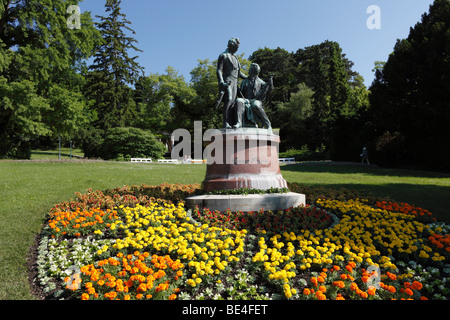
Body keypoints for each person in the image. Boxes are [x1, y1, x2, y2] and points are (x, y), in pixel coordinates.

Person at [216, 38, 248, 129]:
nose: (237, 49)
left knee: (234, 102)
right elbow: (219, 70)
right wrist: (221, 82)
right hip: (227, 80)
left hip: (235, 82)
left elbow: (239, 73)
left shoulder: (236, 57)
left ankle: (233, 122)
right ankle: (225, 123)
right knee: (229, 99)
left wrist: (249, 77)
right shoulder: (223, 55)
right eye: (236, 47)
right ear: (231, 45)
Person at [236, 63, 273, 130]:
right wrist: (237, 89)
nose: (249, 70)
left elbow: (270, 89)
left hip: (256, 100)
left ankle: (267, 124)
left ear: (254, 71)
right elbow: (240, 94)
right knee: (239, 100)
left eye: (250, 69)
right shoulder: (244, 81)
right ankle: (239, 123)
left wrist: (270, 82)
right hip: (246, 99)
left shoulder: (261, 82)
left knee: (255, 104)